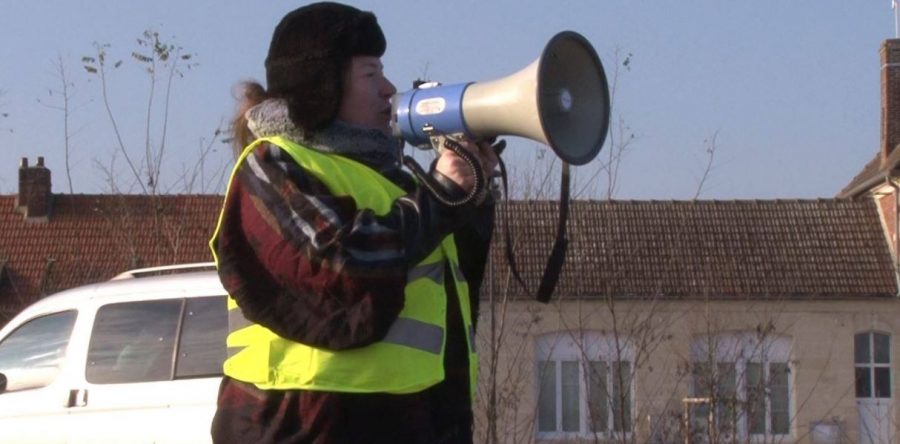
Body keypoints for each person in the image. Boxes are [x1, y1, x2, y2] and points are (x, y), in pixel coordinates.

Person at [208, 2, 498, 443]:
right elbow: (341, 266)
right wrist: (440, 196)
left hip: (404, 420)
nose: (389, 89)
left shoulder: (395, 182)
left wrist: (471, 195)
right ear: (322, 86)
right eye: (371, 73)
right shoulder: (272, 164)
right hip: (299, 424)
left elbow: (447, 294)